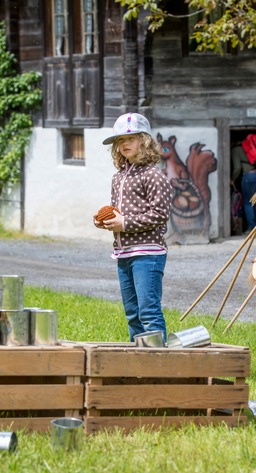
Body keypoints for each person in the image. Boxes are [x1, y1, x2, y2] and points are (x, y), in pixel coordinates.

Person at [94, 113, 172, 342]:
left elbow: (160, 214)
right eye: (119, 141)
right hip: (123, 253)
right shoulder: (118, 178)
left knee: (148, 312)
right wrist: (104, 220)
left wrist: (124, 223)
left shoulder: (154, 176)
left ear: (145, 141)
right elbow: (118, 213)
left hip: (148, 253)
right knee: (133, 314)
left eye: (130, 138)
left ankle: (158, 367)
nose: (124, 144)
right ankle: (138, 363)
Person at [232, 140, 256, 233]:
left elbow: (237, 168)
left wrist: (232, 179)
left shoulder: (236, 149)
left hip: (250, 176)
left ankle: (252, 228)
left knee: (249, 202)